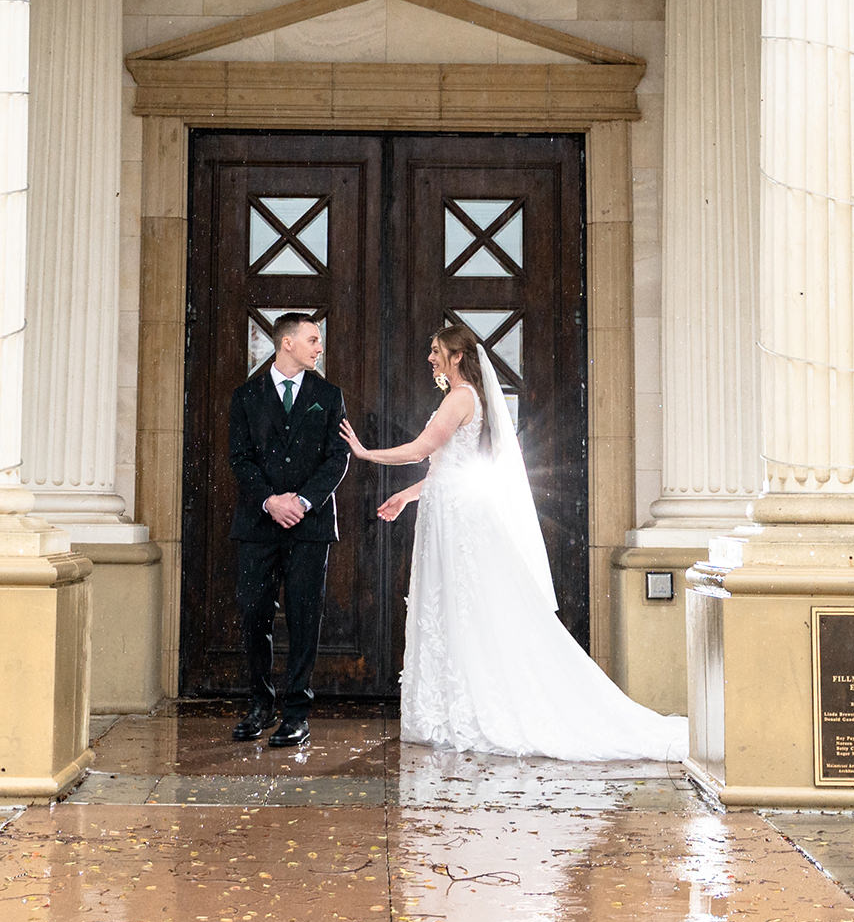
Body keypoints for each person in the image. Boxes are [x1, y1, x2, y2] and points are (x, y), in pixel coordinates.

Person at [343, 317, 688, 762]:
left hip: (457, 520)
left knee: (464, 606)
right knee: (454, 607)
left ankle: (469, 708)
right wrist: (407, 497)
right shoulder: (466, 399)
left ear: (458, 356)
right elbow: (444, 470)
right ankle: (450, 709)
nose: (430, 359)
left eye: (436, 351)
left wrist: (367, 453)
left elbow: (420, 450)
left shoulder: (459, 398)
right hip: (447, 511)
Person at [225, 312, 348, 749]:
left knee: (303, 618)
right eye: (313, 340)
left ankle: (296, 714)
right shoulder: (246, 396)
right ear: (287, 343)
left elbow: (338, 457)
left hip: (310, 527)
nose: (319, 348)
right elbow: (239, 458)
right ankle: (260, 705)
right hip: (259, 525)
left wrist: (302, 501)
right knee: (255, 616)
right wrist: (270, 501)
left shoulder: (329, 395)